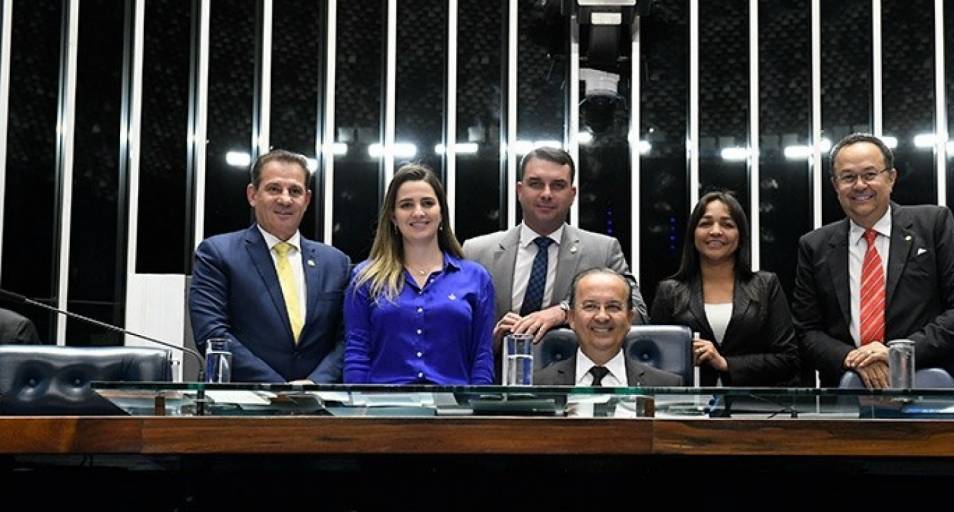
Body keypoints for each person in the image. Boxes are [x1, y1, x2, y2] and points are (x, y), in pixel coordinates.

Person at [792, 133, 954, 388]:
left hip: (934, 385)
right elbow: (806, 331)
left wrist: (898, 353)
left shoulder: (933, 224)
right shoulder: (814, 245)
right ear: (836, 185)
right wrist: (854, 359)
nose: (860, 185)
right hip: (848, 391)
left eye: (870, 174)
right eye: (848, 177)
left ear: (891, 177)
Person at [190, 149, 351, 383]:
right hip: (243, 403)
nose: (285, 199)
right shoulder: (217, 254)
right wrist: (280, 390)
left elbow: (349, 339)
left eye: (294, 191)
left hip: (319, 403)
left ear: (306, 200)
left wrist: (315, 384)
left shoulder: (336, 263)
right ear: (252, 195)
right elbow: (212, 334)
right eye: (274, 188)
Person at [462, 147, 647, 350]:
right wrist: (489, 341)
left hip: (572, 378)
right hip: (495, 376)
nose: (546, 194)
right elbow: (455, 329)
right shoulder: (477, 252)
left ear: (572, 194)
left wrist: (566, 312)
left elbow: (638, 315)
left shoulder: (602, 251)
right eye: (536, 184)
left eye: (558, 185)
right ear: (519, 191)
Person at [343, 164, 494, 384]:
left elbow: (481, 357)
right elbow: (357, 352)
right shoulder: (366, 278)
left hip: (453, 410)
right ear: (393, 217)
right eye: (406, 205)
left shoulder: (476, 278)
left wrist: (477, 412)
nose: (418, 212)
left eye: (428, 203)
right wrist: (358, 413)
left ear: (441, 213)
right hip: (382, 408)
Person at [650, 191, 799, 386]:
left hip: (753, 409)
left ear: (740, 236)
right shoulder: (669, 291)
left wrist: (726, 363)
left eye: (727, 224)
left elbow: (789, 359)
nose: (715, 231)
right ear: (693, 234)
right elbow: (653, 362)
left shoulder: (766, 285)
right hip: (686, 409)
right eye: (705, 223)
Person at [534, 268, 682, 387]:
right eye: (590, 306)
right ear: (572, 318)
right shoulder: (538, 386)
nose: (602, 317)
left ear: (630, 318)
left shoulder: (666, 386)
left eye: (613, 307)